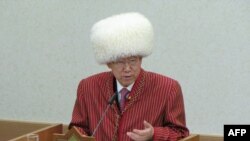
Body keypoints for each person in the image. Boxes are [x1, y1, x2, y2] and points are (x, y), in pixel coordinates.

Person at [69, 12, 189, 141]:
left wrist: (154, 134)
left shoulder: (168, 88)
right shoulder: (88, 87)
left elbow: (180, 133)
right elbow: (76, 130)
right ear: (109, 63)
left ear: (141, 59)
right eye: (120, 62)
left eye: (132, 60)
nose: (127, 69)